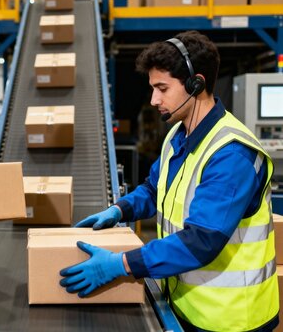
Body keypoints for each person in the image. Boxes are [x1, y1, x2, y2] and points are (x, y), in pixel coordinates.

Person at [59, 30, 279, 331]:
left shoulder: (231, 154)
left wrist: (122, 264)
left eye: (162, 88)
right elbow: (154, 188)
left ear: (196, 84)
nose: (153, 99)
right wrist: (120, 209)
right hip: (184, 303)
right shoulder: (178, 135)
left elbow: (202, 241)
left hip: (230, 319)